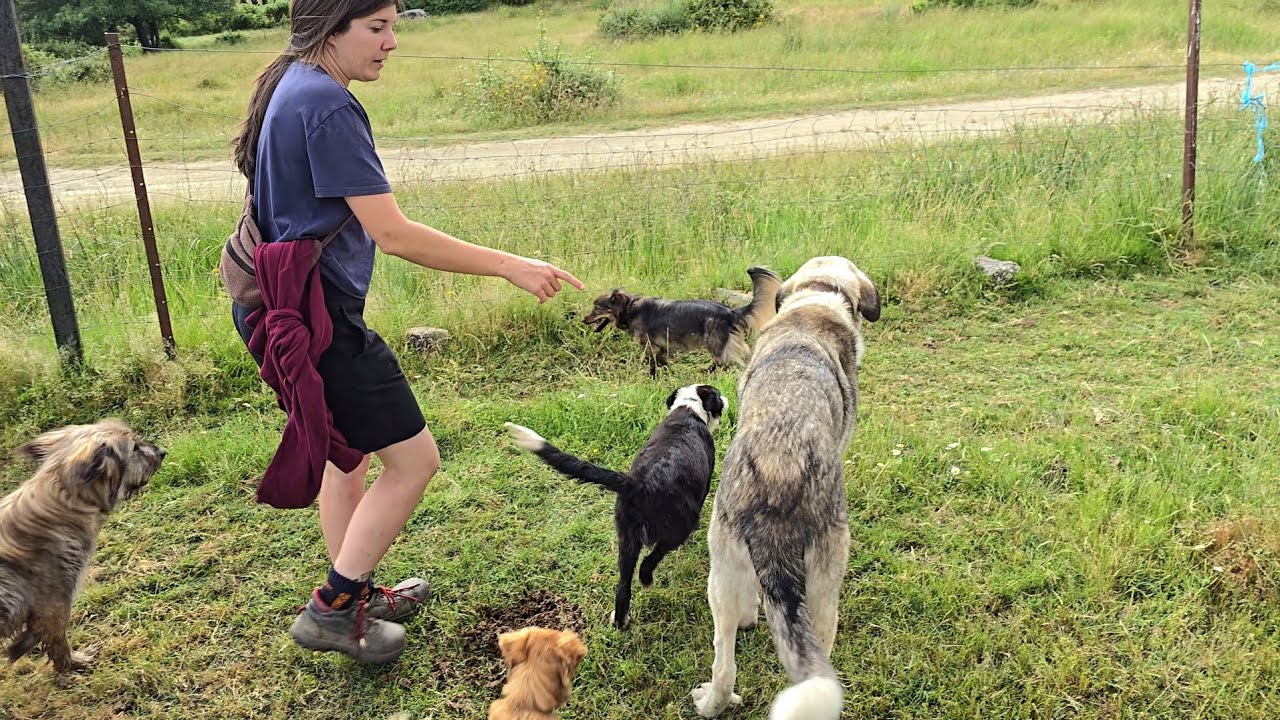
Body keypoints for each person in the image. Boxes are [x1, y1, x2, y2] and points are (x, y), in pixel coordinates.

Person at [228, 0, 583, 665]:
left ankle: (352, 589)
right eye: (376, 27)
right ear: (331, 28)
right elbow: (393, 235)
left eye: (394, 24)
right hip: (318, 319)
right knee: (415, 461)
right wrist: (510, 265)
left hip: (278, 300)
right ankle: (332, 608)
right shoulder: (329, 106)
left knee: (348, 453)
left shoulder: (293, 80)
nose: (393, 41)